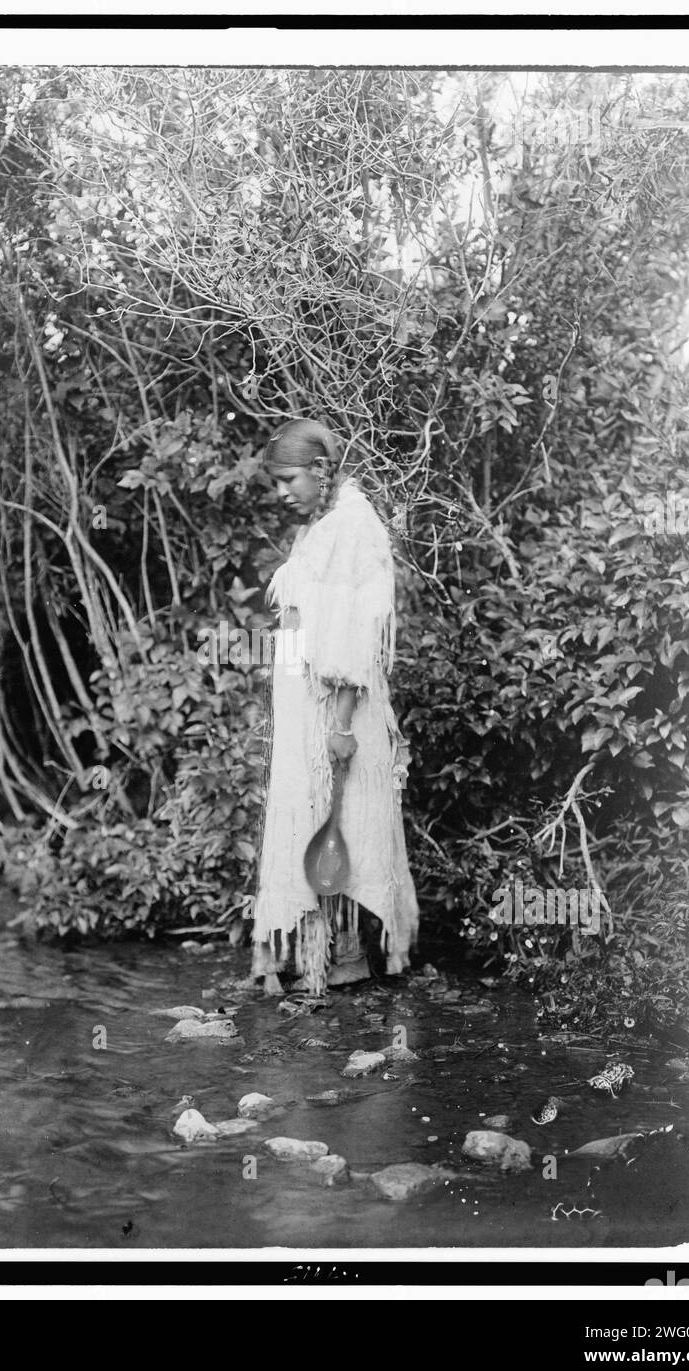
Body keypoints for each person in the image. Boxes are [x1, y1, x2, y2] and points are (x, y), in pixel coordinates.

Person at [251, 417, 418, 995]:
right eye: (276, 482)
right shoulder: (328, 523)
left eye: (289, 479)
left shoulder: (352, 525)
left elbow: (354, 637)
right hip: (310, 704)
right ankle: (321, 955)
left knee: (341, 819)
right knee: (319, 819)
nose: (282, 492)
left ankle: (347, 959)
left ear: (321, 471)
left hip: (334, 708)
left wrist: (343, 724)